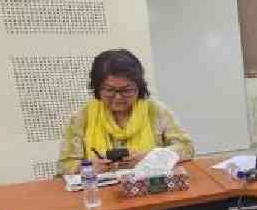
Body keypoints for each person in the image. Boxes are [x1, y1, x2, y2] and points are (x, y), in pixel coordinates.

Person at [58, 49, 194, 175]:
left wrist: (150, 157)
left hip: (148, 189)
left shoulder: (155, 110)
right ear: (97, 88)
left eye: (127, 90)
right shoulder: (82, 117)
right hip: (100, 193)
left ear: (139, 88)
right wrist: (88, 167)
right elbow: (64, 166)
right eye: (110, 90)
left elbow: (187, 148)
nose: (118, 97)